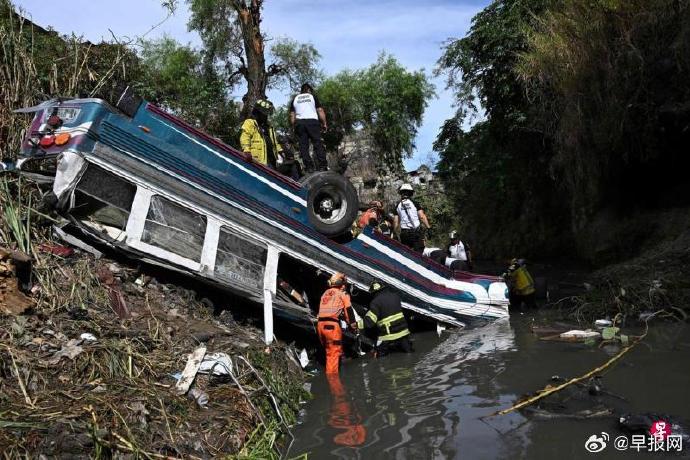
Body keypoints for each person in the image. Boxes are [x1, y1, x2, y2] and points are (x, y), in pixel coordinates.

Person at [318, 272, 359, 374]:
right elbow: (349, 312)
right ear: (341, 284)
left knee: (329, 351)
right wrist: (353, 326)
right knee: (333, 354)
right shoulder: (343, 294)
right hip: (331, 327)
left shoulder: (325, 293)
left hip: (320, 326)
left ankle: (337, 367)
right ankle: (334, 385)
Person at [362, 280, 413, 357]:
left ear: (374, 292)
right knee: (409, 353)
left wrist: (357, 324)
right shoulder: (395, 296)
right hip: (403, 331)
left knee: (379, 356)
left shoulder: (375, 302)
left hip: (386, 335)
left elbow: (370, 322)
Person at [289, 83, 328, 172]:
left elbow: (292, 115)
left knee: (303, 146)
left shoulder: (295, 99)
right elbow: (320, 110)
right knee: (318, 143)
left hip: (300, 123)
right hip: (312, 122)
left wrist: (293, 126)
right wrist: (324, 123)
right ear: (309, 90)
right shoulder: (312, 97)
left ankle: (309, 167)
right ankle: (322, 165)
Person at [239, 99, 283, 169]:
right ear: (258, 113)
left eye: (266, 114)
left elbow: (274, 142)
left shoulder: (269, 127)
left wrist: (280, 151)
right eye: (264, 114)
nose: (266, 116)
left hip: (271, 162)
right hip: (257, 162)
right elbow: (245, 137)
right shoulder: (250, 123)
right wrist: (246, 151)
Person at [393, 183, 430, 252]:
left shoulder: (398, 205)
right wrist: (428, 227)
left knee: (407, 253)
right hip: (415, 233)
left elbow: (395, 221)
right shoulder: (414, 203)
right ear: (410, 193)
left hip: (404, 234)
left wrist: (394, 232)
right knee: (418, 253)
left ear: (401, 193)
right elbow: (422, 216)